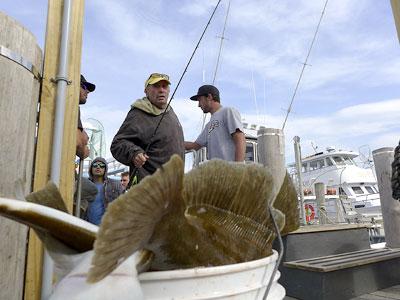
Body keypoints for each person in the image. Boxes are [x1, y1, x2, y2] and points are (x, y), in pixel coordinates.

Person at [111, 73, 185, 185]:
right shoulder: (138, 114)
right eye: (156, 86)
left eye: (164, 86)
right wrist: (134, 153)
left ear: (169, 90)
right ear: (146, 91)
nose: (161, 90)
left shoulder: (170, 112)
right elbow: (117, 144)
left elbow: (168, 141)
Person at [185, 84, 246, 162]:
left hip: (232, 171)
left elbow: (240, 139)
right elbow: (195, 146)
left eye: (200, 100)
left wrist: (238, 168)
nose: (199, 105)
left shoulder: (228, 111)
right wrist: (175, 141)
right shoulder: (208, 125)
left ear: (209, 97)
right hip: (217, 172)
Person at [86, 157, 124, 225]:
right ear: (91, 168)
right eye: (95, 165)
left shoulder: (115, 184)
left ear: (105, 169)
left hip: (108, 227)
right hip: (86, 226)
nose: (98, 167)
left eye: (102, 165)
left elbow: (123, 205)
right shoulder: (84, 184)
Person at [76, 75, 95, 159]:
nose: (87, 91)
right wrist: (84, 145)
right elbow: (79, 143)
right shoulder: (71, 107)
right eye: (84, 86)